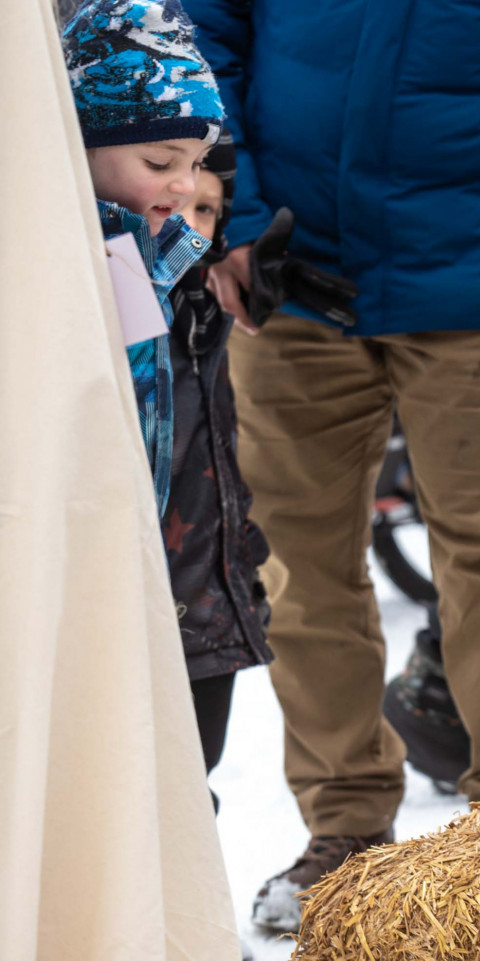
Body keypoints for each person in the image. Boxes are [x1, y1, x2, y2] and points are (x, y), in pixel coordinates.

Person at [184, 0, 480, 932]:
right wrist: (228, 220)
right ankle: (347, 827)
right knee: (294, 564)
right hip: (291, 284)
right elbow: (207, 35)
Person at [62, 0, 225, 520]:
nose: (186, 185)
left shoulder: (138, 255)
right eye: (159, 161)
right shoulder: (64, 260)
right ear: (81, 146)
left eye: (198, 163)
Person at [164, 132, 276, 811]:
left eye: (209, 212)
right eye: (178, 202)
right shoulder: (110, 301)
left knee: (192, 783)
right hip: (146, 597)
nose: (191, 228)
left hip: (206, 601)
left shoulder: (207, 308)